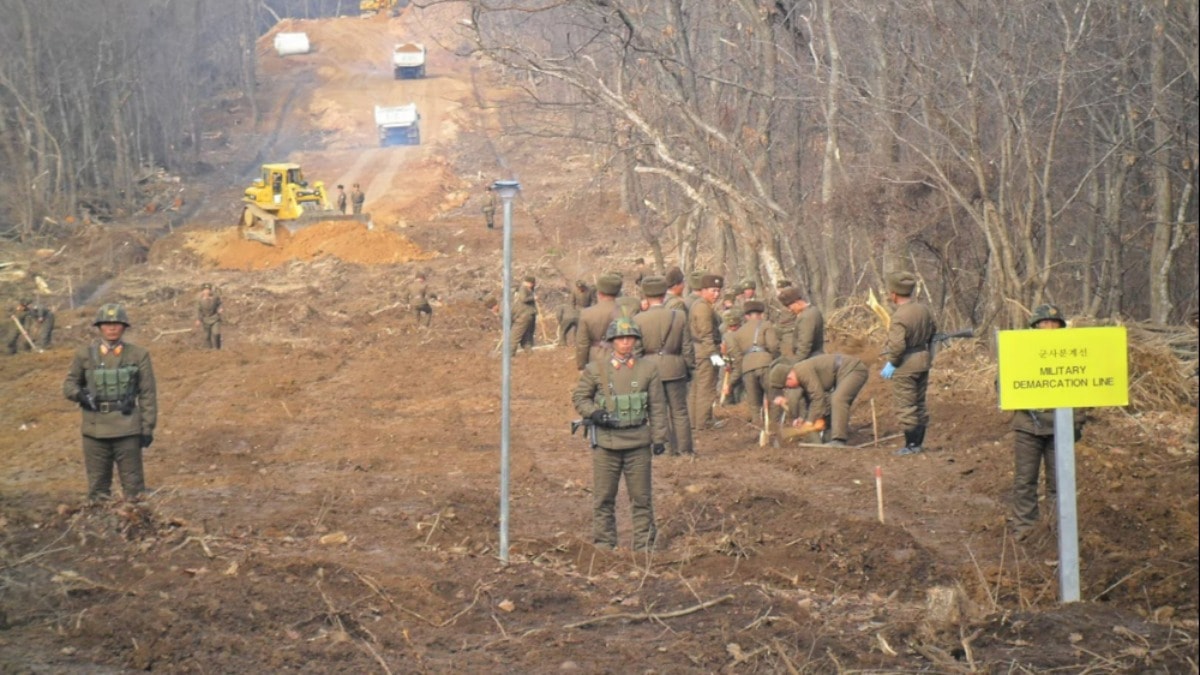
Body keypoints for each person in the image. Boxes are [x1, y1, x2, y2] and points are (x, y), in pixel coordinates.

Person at [572, 317, 668, 551]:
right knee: (604, 497)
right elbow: (580, 397)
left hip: (638, 442)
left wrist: (659, 438)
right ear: (612, 341)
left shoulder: (648, 369)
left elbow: (657, 406)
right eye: (621, 338)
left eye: (630, 338)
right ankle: (604, 544)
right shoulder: (596, 369)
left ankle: (644, 546)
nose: (626, 343)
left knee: (642, 498)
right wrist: (594, 413)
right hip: (607, 443)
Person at [62, 303, 158, 502]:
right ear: (99, 327)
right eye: (107, 324)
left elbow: (147, 393)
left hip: (127, 428)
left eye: (117, 323)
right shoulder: (84, 354)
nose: (112, 328)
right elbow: (69, 384)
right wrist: (80, 395)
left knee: (134, 487)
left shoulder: (138, 355)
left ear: (124, 327)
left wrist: (147, 427)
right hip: (95, 429)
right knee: (97, 487)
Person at [1009, 304, 1085, 540]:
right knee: (1025, 480)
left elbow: (1084, 390)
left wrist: (1077, 422)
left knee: (1059, 483)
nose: (1049, 328)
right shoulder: (1019, 352)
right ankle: (1025, 529)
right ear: (1034, 327)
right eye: (1044, 324)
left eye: (1054, 324)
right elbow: (1004, 386)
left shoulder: (1072, 354)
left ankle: (1058, 531)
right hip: (1027, 426)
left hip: (1059, 428)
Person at [634, 275, 694, 457]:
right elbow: (687, 347)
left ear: (645, 295)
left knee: (656, 411)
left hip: (650, 369)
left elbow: (636, 351)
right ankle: (685, 450)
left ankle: (664, 449)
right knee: (680, 411)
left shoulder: (638, 319)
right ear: (663, 294)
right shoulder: (680, 316)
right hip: (676, 367)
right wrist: (689, 367)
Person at [880, 271, 937, 456]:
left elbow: (897, 346)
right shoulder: (924, 309)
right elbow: (933, 332)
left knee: (906, 405)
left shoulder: (899, 316)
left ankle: (911, 445)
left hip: (906, 364)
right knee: (919, 403)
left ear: (894, 294)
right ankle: (918, 443)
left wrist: (892, 363)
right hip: (923, 359)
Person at [771, 354, 868, 447]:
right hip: (842, 374)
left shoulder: (802, 371)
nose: (790, 389)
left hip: (854, 370)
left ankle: (839, 440)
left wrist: (809, 422)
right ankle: (829, 439)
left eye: (787, 386)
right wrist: (802, 418)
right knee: (830, 403)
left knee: (838, 399)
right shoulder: (801, 376)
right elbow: (809, 402)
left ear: (789, 378)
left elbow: (818, 397)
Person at [727, 301, 780, 422]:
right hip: (765, 364)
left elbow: (737, 356)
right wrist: (775, 359)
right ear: (761, 314)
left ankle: (758, 429)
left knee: (755, 404)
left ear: (746, 316)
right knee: (774, 399)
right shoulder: (766, 325)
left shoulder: (737, 333)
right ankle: (774, 428)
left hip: (747, 368)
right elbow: (773, 346)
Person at [689, 274, 724, 431]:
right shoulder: (703, 308)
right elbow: (706, 335)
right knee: (706, 388)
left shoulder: (701, 305)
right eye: (713, 290)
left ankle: (694, 421)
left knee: (697, 388)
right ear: (703, 290)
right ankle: (703, 422)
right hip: (705, 353)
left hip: (700, 352)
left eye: (718, 291)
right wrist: (714, 355)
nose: (716, 294)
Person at [576, 273, 624, 369]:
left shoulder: (587, 313)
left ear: (599, 293)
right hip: (620, 359)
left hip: (595, 358)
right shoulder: (625, 312)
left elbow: (582, 344)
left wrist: (581, 365)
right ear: (618, 293)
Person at [778, 287, 824, 362]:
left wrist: (796, 362)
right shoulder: (813, 310)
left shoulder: (807, 317)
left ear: (797, 302)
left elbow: (805, 345)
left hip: (810, 359)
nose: (790, 310)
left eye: (789, 306)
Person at [557, 280, 594, 346]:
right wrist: (575, 309)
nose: (580, 289)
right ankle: (562, 343)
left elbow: (593, 301)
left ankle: (577, 343)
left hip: (586, 309)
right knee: (563, 329)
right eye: (579, 288)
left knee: (580, 329)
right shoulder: (574, 291)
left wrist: (590, 309)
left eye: (582, 287)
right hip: (576, 310)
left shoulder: (590, 291)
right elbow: (572, 302)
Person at [510, 276, 538, 355]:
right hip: (526, 315)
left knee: (515, 336)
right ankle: (529, 353)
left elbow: (523, 299)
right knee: (525, 337)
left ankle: (510, 355)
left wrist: (533, 297)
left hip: (524, 316)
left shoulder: (525, 289)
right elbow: (523, 299)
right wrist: (533, 298)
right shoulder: (524, 289)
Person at [195, 283, 223, 349]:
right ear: (202, 291)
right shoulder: (199, 300)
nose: (206, 291)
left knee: (216, 333)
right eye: (205, 290)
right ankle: (209, 349)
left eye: (208, 290)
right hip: (205, 319)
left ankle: (217, 348)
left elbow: (220, 303)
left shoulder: (215, 297)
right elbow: (198, 310)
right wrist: (198, 319)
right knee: (207, 336)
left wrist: (220, 308)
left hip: (215, 318)